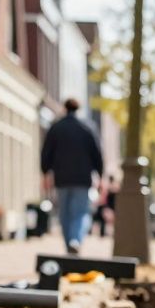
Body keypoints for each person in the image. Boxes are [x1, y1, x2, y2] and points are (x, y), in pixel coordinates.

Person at [40, 98, 105, 255]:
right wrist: (100, 174)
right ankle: (75, 240)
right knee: (81, 212)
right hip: (82, 179)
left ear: (64, 108)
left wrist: (45, 172)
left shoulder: (56, 128)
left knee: (65, 213)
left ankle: (69, 243)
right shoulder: (88, 127)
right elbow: (97, 153)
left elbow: (46, 152)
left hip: (62, 178)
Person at [93, 173, 118, 237]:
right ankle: (103, 233)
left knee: (103, 218)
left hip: (109, 207)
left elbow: (104, 199)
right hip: (111, 207)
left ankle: (103, 233)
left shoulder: (109, 188)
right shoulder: (114, 187)